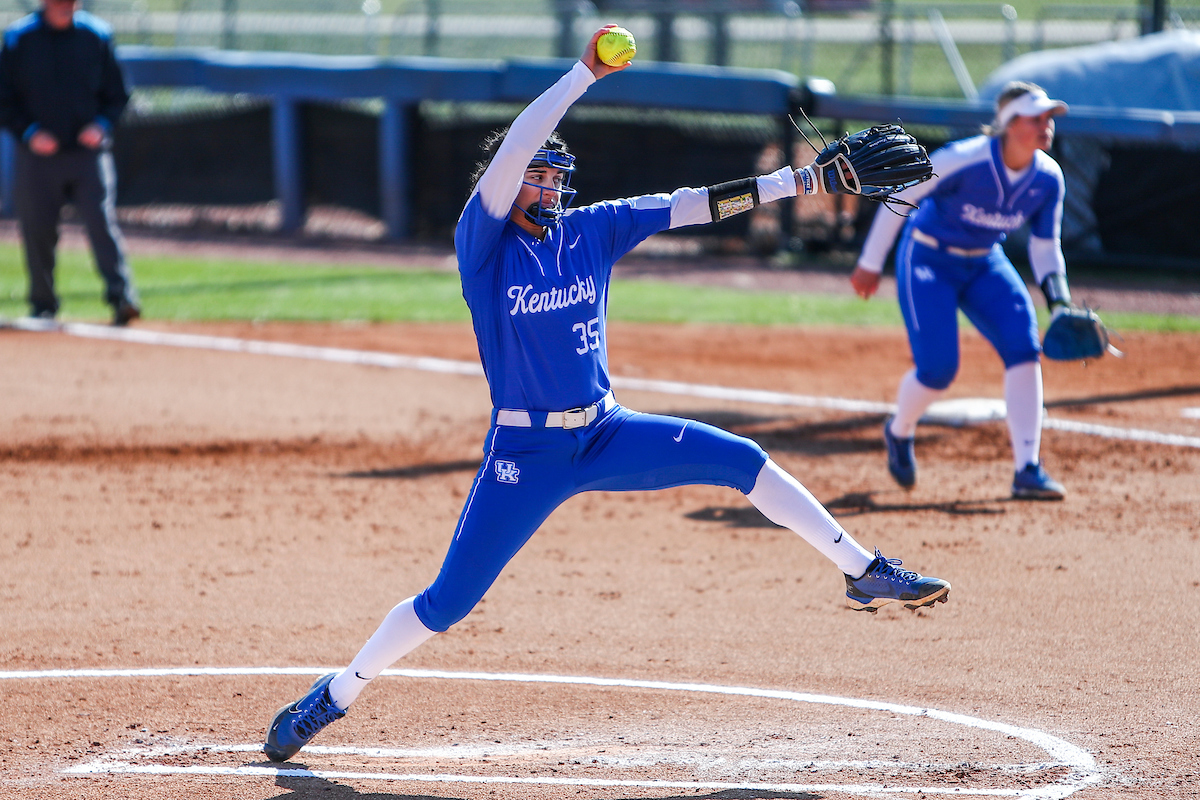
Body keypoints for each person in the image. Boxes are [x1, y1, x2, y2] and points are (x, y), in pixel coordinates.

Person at [262, 25, 951, 763]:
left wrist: (799, 181)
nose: (552, 185)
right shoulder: (483, 246)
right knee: (447, 603)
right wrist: (582, 75)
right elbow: (518, 146)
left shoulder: (589, 231)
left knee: (742, 458)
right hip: (526, 453)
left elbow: (690, 204)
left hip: (607, 432)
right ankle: (333, 696)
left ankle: (862, 571)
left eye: (558, 176)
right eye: (539, 174)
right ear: (510, 178)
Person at [850, 81, 1074, 501]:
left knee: (1024, 347)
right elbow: (902, 194)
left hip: (985, 260)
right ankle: (899, 431)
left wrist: (1059, 301)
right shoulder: (963, 158)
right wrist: (869, 262)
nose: (1046, 125)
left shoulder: (1048, 178)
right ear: (1009, 124)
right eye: (1035, 117)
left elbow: (1046, 246)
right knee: (937, 371)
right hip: (929, 257)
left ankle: (1028, 468)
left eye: (1049, 118)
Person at [0, 0, 140, 326]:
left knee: (101, 223)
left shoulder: (97, 35)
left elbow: (118, 94)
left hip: (87, 154)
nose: (67, 6)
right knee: (37, 230)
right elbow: (3, 97)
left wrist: (102, 124)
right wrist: (29, 132)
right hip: (37, 156)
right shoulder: (19, 39)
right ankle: (43, 304)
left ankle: (123, 299)